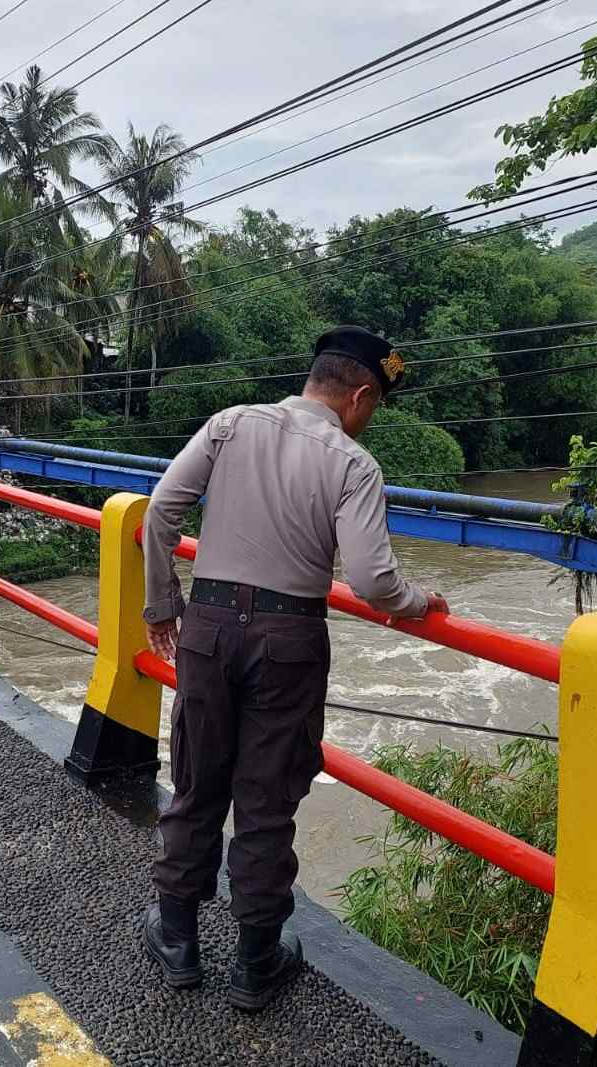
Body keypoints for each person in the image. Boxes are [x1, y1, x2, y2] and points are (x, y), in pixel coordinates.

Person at [139, 325, 450, 1011]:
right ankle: (254, 965)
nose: (369, 420)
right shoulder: (355, 465)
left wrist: (162, 605)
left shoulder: (230, 423)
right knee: (265, 800)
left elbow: (160, 511)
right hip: (290, 639)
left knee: (197, 782)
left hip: (207, 629)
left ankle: (179, 941)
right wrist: (418, 602)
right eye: (374, 407)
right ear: (360, 395)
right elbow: (372, 579)